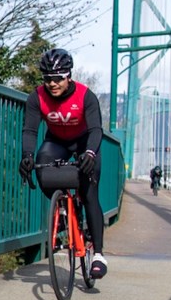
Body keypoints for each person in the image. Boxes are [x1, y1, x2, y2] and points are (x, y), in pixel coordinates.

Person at [18, 48, 108, 279]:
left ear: (69, 76)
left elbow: (96, 129)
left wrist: (90, 152)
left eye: (58, 78)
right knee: (42, 169)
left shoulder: (86, 96)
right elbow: (30, 130)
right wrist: (27, 155)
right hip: (57, 141)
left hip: (84, 142)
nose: (52, 83)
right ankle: (63, 211)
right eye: (47, 78)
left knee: (89, 193)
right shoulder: (36, 97)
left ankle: (98, 254)